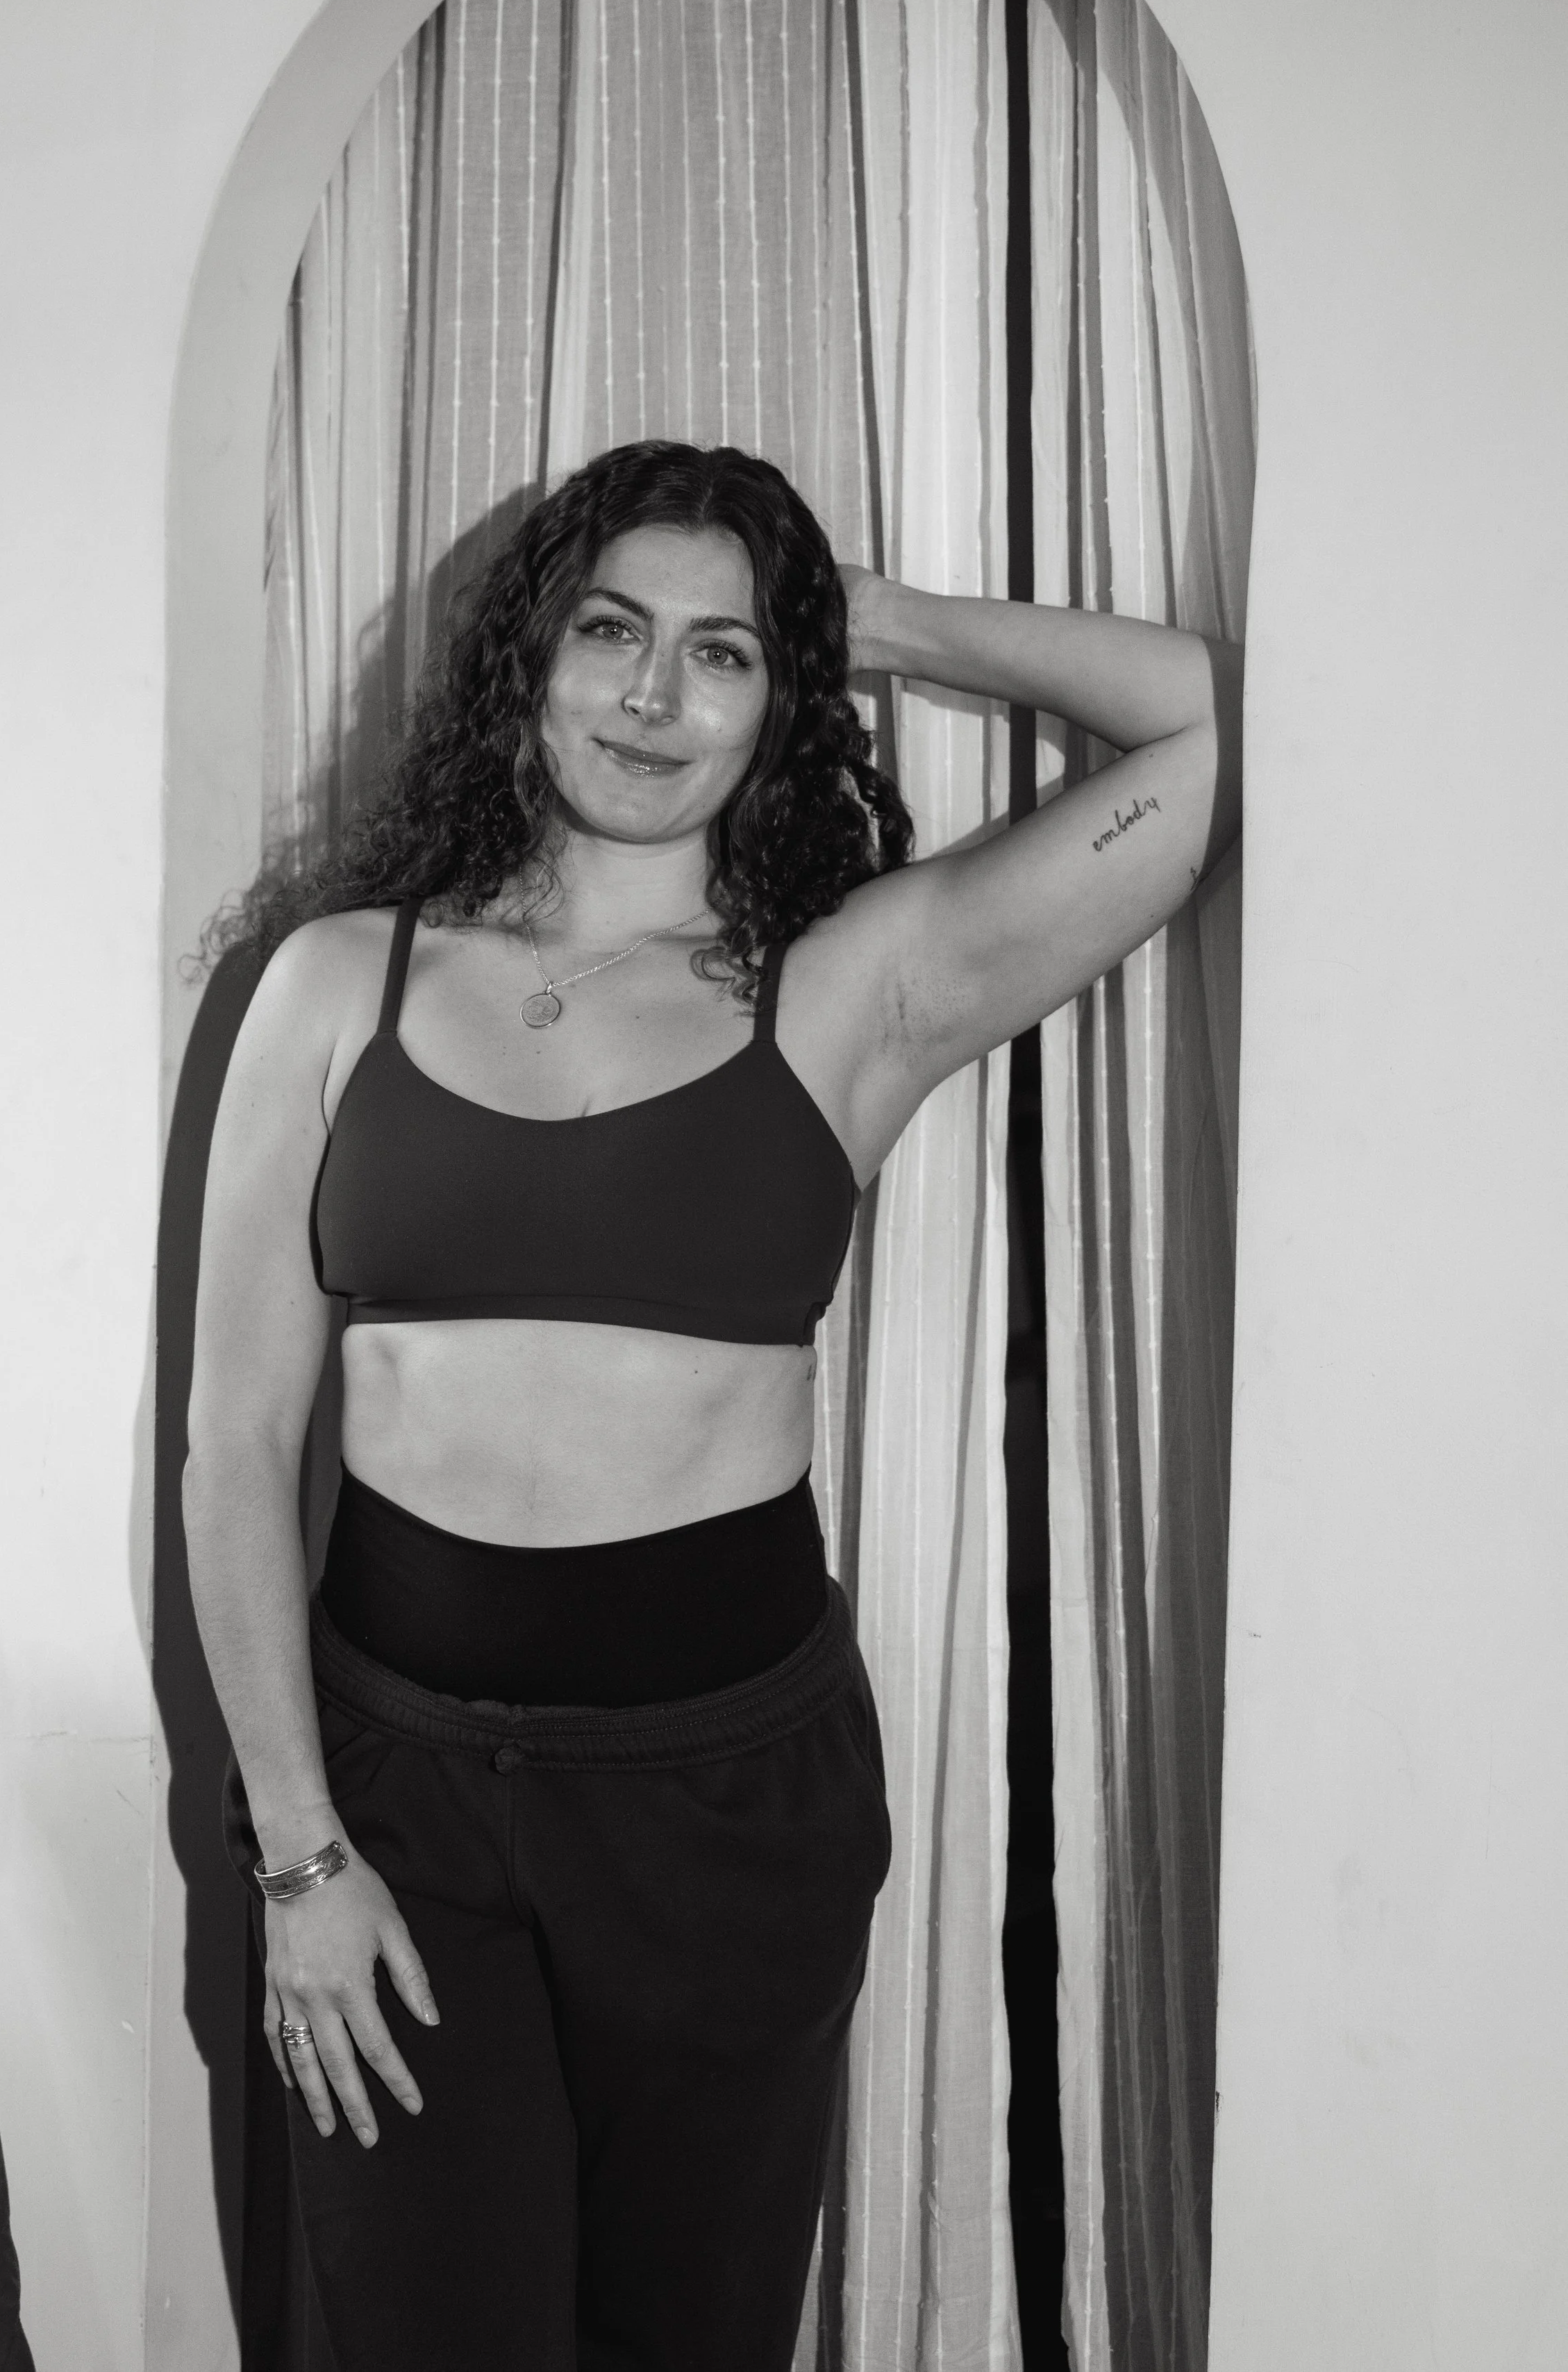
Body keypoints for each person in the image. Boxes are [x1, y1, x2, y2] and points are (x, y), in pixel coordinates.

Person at [184, 438, 1241, 2370]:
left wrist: (872, 611)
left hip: (725, 1806)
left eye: (726, 652)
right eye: (609, 631)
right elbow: (236, 1444)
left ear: (785, 694)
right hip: (393, 1798)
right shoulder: (334, 981)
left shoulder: (846, 986)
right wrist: (299, 1848)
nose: (656, 696)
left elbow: (1202, 730)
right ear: (530, 656)